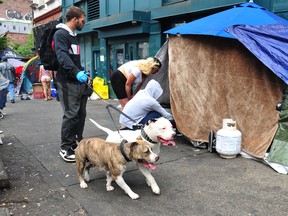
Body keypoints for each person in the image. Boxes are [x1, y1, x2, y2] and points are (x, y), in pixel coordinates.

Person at [53, 6, 90, 162]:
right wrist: (77, 73)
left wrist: (83, 74)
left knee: (80, 114)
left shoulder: (74, 36)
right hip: (67, 82)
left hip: (77, 82)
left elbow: (73, 60)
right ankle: (65, 148)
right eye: (83, 20)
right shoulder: (60, 34)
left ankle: (76, 143)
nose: (84, 23)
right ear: (74, 19)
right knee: (71, 115)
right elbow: (62, 57)